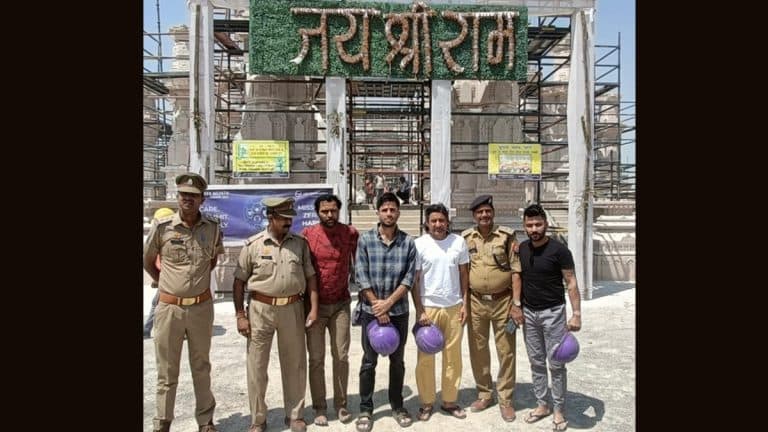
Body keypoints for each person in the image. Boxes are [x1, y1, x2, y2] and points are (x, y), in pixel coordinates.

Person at [143, 173, 224, 432]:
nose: (187, 200)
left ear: (202, 199)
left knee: (201, 366)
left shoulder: (212, 228)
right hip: (170, 309)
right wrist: (167, 285)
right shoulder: (163, 227)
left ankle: (205, 421)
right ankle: (163, 422)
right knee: (167, 371)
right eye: (183, 195)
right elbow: (148, 260)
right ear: (178, 197)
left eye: (193, 196)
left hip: (200, 308)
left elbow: (211, 262)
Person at [232, 196, 319, 432]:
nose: (288, 222)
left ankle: (295, 415)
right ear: (270, 217)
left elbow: (310, 276)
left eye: (290, 218)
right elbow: (239, 282)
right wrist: (240, 314)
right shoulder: (253, 245)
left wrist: (313, 308)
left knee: (295, 365)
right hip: (260, 310)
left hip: (292, 309)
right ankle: (258, 419)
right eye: (283, 218)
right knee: (257, 367)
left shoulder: (299, 244)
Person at [354, 192, 417, 432]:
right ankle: (366, 408)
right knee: (368, 362)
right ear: (378, 212)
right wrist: (376, 305)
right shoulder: (366, 240)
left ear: (398, 212)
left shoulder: (408, 242)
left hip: (398, 311)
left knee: (397, 361)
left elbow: (409, 278)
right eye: (385, 210)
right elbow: (361, 274)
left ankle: (397, 405)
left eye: (393, 210)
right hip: (371, 312)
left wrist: (388, 304)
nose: (389, 214)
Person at [517, 204, 582, 432]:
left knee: (556, 364)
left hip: (553, 313)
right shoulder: (522, 249)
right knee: (536, 361)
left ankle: (559, 410)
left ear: (545, 224)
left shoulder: (559, 250)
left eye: (538, 224)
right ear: (524, 226)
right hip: (529, 313)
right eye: (529, 225)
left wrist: (576, 314)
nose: (534, 229)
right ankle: (542, 404)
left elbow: (571, 282)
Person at [461, 194, 522, 422]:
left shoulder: (506, 236)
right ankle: (485, 393)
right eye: (480, 212)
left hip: (503, 302)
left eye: (487, 211)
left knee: (506, 351)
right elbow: (463, 272)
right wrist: (464, 302)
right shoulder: (466, 238)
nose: (484, 215)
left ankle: (506, 399)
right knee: (478, 350)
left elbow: (516, 271)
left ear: (493, 213)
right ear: (474, 215)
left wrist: (516, 305)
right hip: (476, 302)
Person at [301, 194, 359, 426]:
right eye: (325, 211)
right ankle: (320, 407)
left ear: (339, 210)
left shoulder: (350, 234)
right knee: (316, 358)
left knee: (341, 356)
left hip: (341, 304)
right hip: (314, 307)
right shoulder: (307, 236)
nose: (329, 215)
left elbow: (359, 264)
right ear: (317, 212)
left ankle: (341, 404)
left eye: (333, 211)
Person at [411, 203, 469, 421]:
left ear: (447, 222)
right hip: (429, 310)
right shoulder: (419, 245)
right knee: (425, 357)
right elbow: (415, 281)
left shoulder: (458, 242)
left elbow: (464, 276)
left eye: (441, 220)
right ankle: (426, 402)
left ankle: (449, 401)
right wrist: (419, 310)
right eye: (433, 220)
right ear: (427, 223)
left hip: (454, 307)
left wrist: (465, 304)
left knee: (453, 357)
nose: (438, 224)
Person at [144, 207, 175, 338]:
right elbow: (150, 260)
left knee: (158, 303)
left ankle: (147, 329)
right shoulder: (160, 238)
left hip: (170, 279)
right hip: (164, 278)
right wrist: (157, 278)